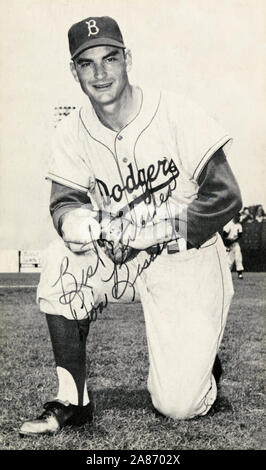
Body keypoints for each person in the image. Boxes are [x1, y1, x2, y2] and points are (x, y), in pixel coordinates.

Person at [19, 16, 242, 436]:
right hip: (120, 259)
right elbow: (63, 201)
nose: (100, 72)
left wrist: (162, 228)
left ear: (128, 60)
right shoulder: (72, 131)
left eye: (110, 58)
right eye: (87, 63)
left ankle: (202, 368)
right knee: (58, 261)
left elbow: (227, 195)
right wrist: (72, 220)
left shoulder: (175, 111)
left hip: (186, 258)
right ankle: (73, 399)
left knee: (179, 405)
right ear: (74, 71)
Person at [223, 214, 244, 279]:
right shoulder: (228, 224)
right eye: (237, 216)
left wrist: (233, 240)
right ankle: (226, 274)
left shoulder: (239, 225)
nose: (239, 218)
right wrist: (227, 242)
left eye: (239, 216)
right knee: (228, 260)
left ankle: (240, 274)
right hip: (228, 244)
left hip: (235, 243)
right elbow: (224, 235)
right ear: (234, 217)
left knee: (238, 258)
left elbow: (240, 235)